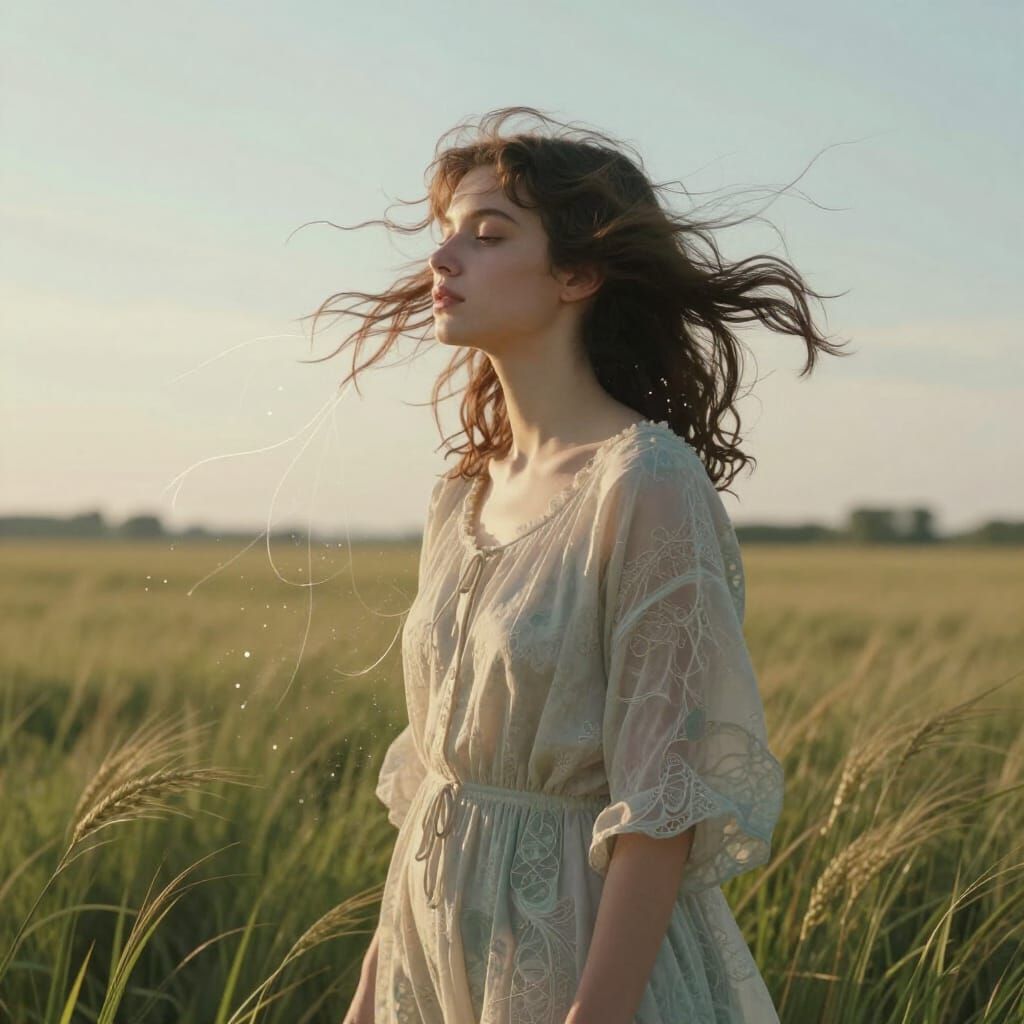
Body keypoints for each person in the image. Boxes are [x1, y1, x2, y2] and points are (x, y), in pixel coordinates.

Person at [326, 107, 851, 1023]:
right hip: (435, 950)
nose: (442, 260)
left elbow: (661, 807)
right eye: (445, 236)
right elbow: (437, 785)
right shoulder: (462, 494)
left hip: (576, 958)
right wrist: (374, 994)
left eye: (488, 236)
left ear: (577, 272)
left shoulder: (644, 484)